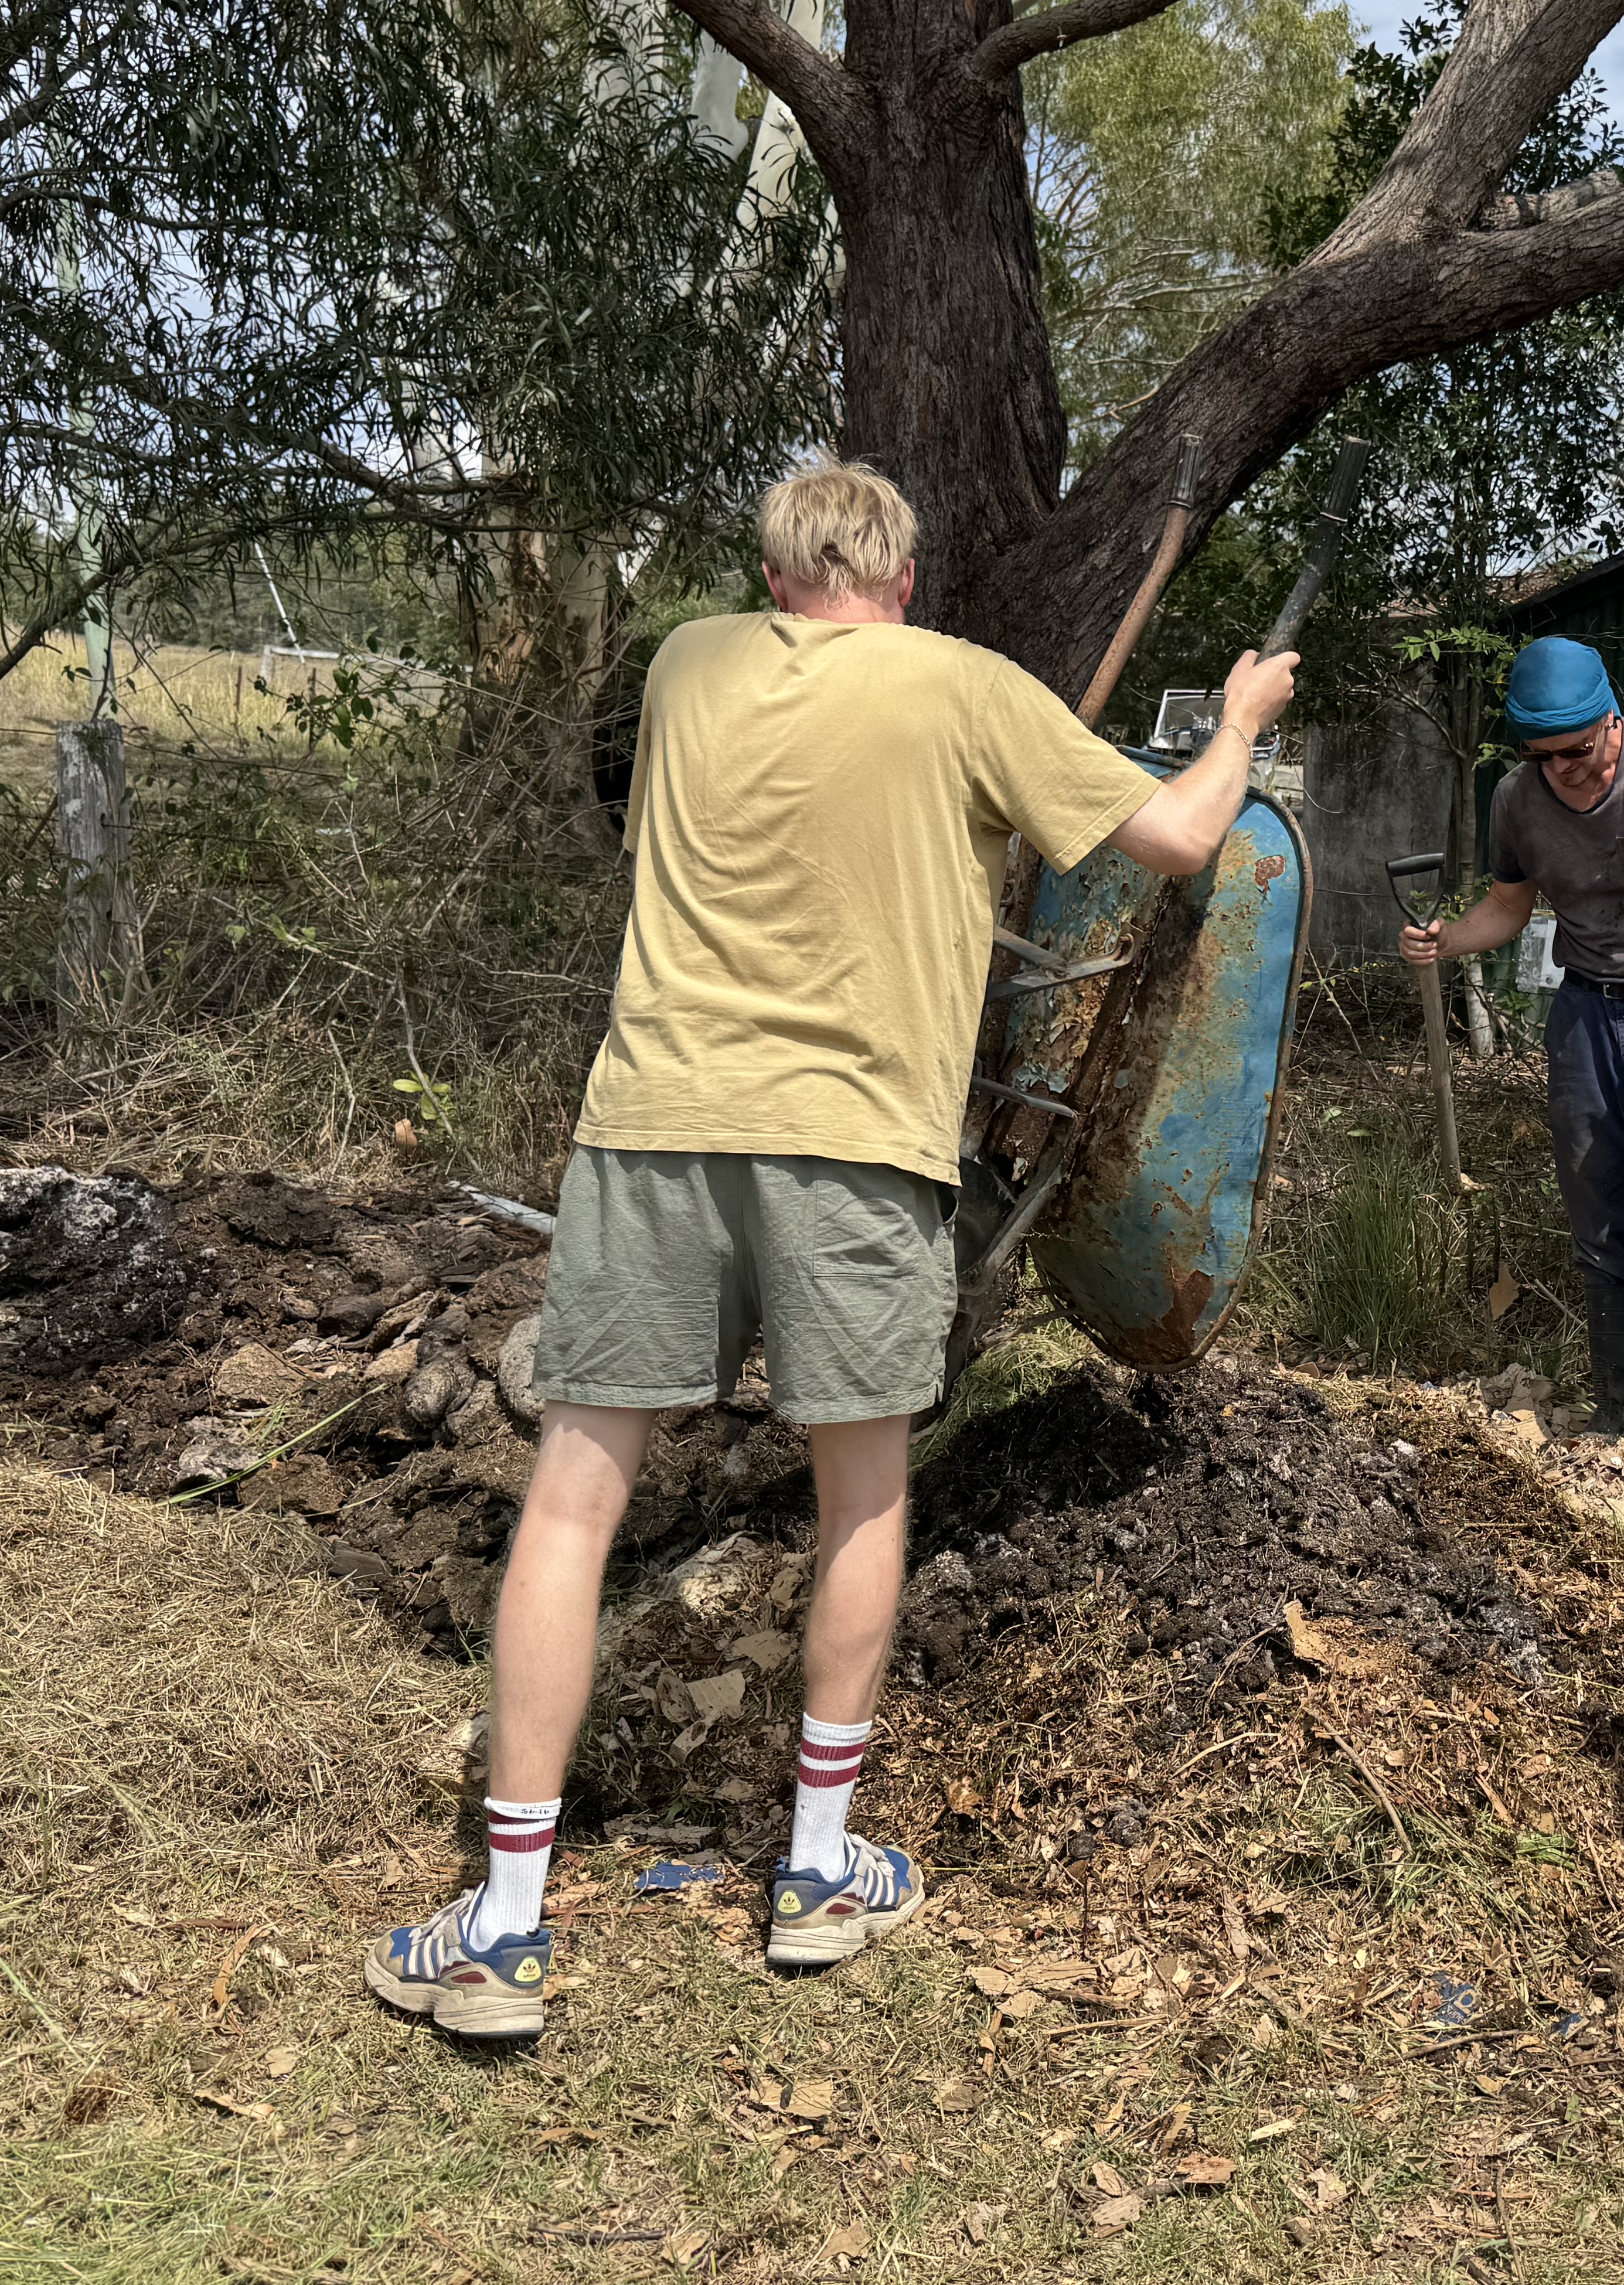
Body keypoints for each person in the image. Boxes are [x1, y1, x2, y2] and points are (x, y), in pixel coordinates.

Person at [365, 461, 1296, 2041]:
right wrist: (1242, 720)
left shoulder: (687, 666)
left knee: (577, 1495)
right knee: (861, 1492)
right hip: (857, 1147)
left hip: (657, 1124)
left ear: (777, 573)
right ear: (909, 577)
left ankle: (505, 1926)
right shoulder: (969, 693)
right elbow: (1186, 839)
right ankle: (816, 1870)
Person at [1397, 637, 1624, 1435]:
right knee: (1601, 1210)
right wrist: (1443, 940)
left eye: (1577, 751)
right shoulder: (1518, 799)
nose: (1562, 770)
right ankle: (1619, 1419)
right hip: (1587, 1010)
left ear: (1611, 720)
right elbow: (1510, 910)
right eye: (1542, 757)